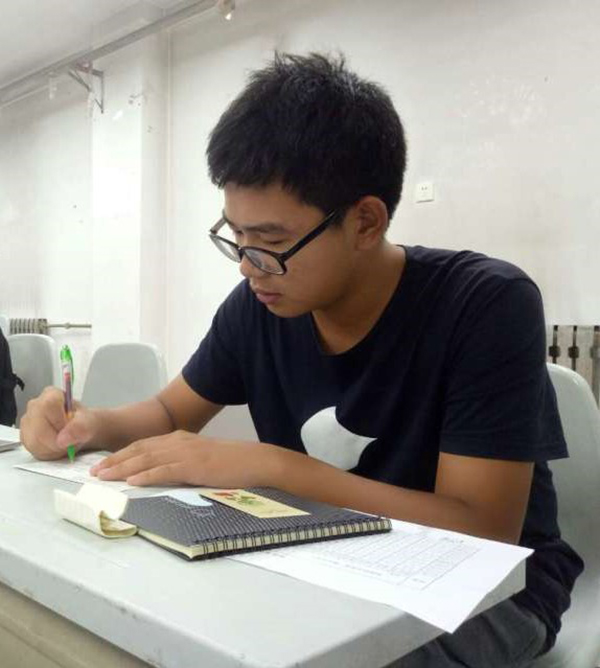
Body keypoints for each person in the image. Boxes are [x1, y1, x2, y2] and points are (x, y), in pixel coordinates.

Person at [20, 53, 582, 666]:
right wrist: (87, 423)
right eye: (236, 237)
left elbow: (481, 529)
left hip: (488, 593)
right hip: (326, 562)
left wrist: (274, 468)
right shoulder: (258, 305)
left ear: (365, 221)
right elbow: (168, 411)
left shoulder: (484, 303)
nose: (247, 266)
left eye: (272, 241)